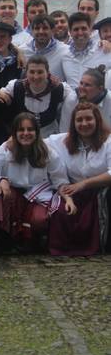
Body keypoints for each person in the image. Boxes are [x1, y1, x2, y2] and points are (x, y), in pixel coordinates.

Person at [0, 113, 69, 251]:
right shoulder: (5, 149)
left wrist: (68, 198)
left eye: (30, 129)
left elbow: (60, 180)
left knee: (39, 220)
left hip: (38, 196)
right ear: (14, 133)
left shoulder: (47, 152)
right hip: (13, 195)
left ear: (37, 132)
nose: (26, 133)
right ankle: (6, 237)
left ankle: (32, 239)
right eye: (21, 130)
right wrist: (0, 180)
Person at [47, 102, 111, 256]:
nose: (84, 124)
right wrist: (10, 142)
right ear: (73, 123)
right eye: (79, 120)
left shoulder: (108, 142)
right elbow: (33, 140)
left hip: (101, 192)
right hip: (73, 191)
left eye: (89, 119)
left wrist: (84, 184)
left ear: (97, 120)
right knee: (62, 212)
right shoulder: (61, 141)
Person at [0, 55, 72, 137]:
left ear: (47, 73)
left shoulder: (59, 89)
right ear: (26, 73)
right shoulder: (15, 86)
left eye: (40, 72)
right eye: (32, 72)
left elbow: (74, 99)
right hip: (24, 136)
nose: (36, 76)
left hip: (50, 137)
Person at [62, 12, 111, 89]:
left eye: (84, 28)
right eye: (76, 29)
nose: (80, 33)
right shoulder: (64, 56)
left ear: (90, 30)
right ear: (70, 32)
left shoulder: (105, 51)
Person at [21, 14, 71, 81]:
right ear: (32, 31)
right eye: (37, 28)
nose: (41, 32)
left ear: (53, 30)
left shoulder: (65, 51)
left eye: (45, 28)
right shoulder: (22, 51)